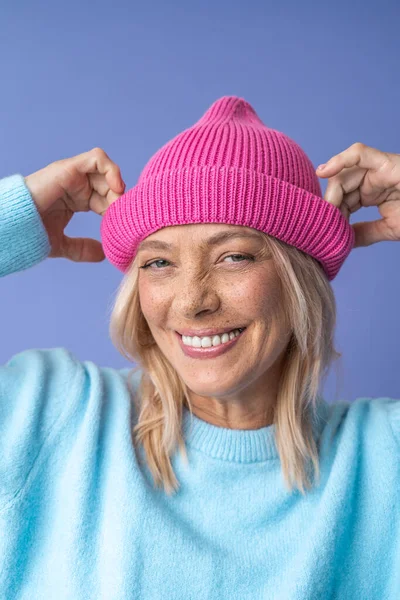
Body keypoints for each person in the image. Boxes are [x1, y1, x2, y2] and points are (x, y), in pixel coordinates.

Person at [0, 96, 399, 599]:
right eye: (159, 263)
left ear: (298, 280)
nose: (191, 303)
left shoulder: (385, 458)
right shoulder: (47, 415)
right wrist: (12, 218)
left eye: (233, 256)